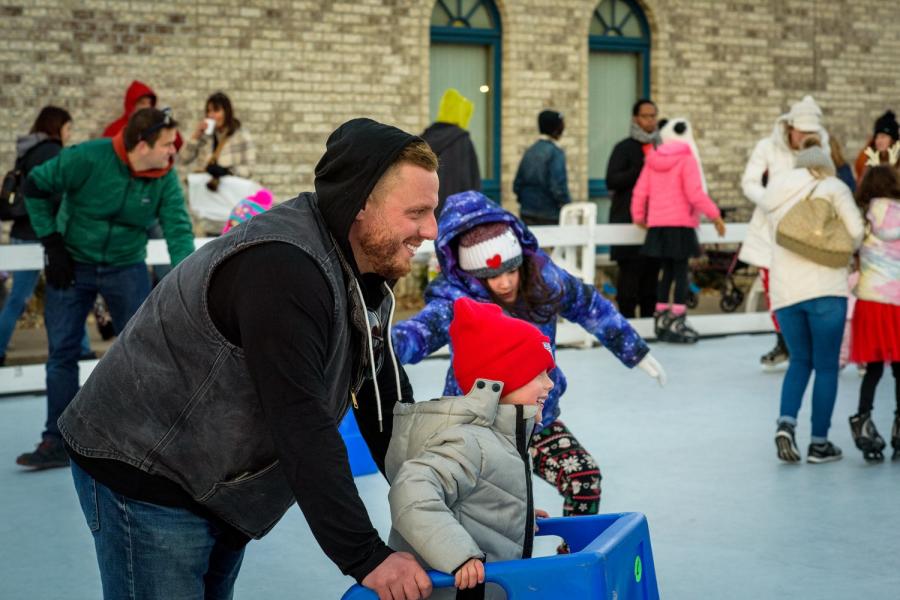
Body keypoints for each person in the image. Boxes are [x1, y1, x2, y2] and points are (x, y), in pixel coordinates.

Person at [58, 118, 439, 599]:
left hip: (215, 475)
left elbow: (385, 404)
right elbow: (301, 421)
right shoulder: (284, 271)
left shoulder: (365, 272)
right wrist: (365, 556)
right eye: (417, 212)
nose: (431, 229)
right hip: (145, 466)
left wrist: (445, 503)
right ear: (360, 204)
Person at [391, 191, 665, 519]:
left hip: (537, 421)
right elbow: (419, 332)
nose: (505, 282)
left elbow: (590, 305)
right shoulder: (458, 301)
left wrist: (635, 351)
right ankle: (483, 566)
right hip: (480, 429)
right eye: (492, 275)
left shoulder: (544, 279)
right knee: (493, 514)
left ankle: (574, 562)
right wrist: (379, 343)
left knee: (584, 478)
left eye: (511, 269)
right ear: (473, 273)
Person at [17, 107, 194, 470]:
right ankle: (56, 439)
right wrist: (51, 242)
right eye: (165, 145)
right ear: (141, 145)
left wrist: (186, 281)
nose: (171, 152)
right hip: (73, 263)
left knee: (143, 351)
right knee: (62, 353)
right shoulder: (87, 158)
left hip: (125, 266)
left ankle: (139, 440)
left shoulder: (164, 177)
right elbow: (34, 185)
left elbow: (177, 228)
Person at [387, 297, 555, 599]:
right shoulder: (469, 441)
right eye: (539, 375)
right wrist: (458, 554)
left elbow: (474, 503)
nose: (549, 384)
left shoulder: (500, 437)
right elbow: (410, 491)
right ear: (504, 381)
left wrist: (514, 514)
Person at [758, 137, 864, 464]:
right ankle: (820, 443)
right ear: (824, 164)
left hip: (785, 293)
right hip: (826, 290)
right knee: (826, 366)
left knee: (800, 361)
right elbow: (857, 230)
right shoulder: (833, 187)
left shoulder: (775, 191)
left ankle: (786, 424)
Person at [740, 95, 828, 367]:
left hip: (805, 231)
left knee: (803, 288)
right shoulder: (767, 147)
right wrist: (771, 203)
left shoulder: (818, 150)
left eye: (810, 132)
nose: (804, 137)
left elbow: (827, 183)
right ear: (790, 127)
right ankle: (784, 341)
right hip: (770, 233)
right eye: (801, 131)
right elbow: (749, 182)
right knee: (774, 291)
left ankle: (803, 343)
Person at [0, 106, 93, 367]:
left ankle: (82, 347)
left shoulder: (28, 150)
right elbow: (52, 195)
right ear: (57, 127)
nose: (69, 134)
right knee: (62, 290)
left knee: (30, 295)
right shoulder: (51, 151)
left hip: (23, 232)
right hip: (39, 234)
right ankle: (82, 348)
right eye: (68, 128)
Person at [631, 118, 726, 344]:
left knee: (665, 271)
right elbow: (694, 194)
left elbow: (640, 191)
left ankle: (661, 315)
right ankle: (678, 317)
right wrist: (715, 215)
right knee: (681, 272)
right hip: (681, 224)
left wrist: (638, 217)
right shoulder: (687, 160)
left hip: (659, 225)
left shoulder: (652, 160)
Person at [847, 166, 900, 461]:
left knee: (874, 368)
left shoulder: (862, 220)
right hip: (898, 302)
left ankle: (863, 422)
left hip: (870, 301)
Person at [606, 99, 662, 319]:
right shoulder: (624, 148)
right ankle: (627, 329)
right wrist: (642, 167)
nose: (650, 120)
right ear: (636, 118)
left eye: (653, 116)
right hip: (627, 220)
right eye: (645, 116)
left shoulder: (662, 148)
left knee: (651, 282)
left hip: (655, 223)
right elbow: (612, 180)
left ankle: (650, 326)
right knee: (628, 282)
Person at [180, 91, 257, 235]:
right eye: (208, 111)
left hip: (231, 202)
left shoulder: (241, 135)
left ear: (226, 112)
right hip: (208, 200)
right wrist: (196, 135)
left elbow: (250, 169)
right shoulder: (205, 136)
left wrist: (227, 171)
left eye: (216, 110)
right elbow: (183, 158)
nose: (211, 115)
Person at [421, 88, 481, 216]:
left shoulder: (425, 138)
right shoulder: (462, 141)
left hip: (427, 212)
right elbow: (470, 182)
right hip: (454, 214)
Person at [514, 109, 571, 226]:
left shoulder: (530, 151)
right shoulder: (555, 153)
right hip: (549, 215)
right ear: (556, 129)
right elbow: (558, 188)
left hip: (527, 213)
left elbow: (517, 185)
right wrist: (568, 206)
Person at [853, 110, 900, 181]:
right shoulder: (868, 160)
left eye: (883, 137)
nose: (879, 141)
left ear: (893, 140)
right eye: (876, 137)